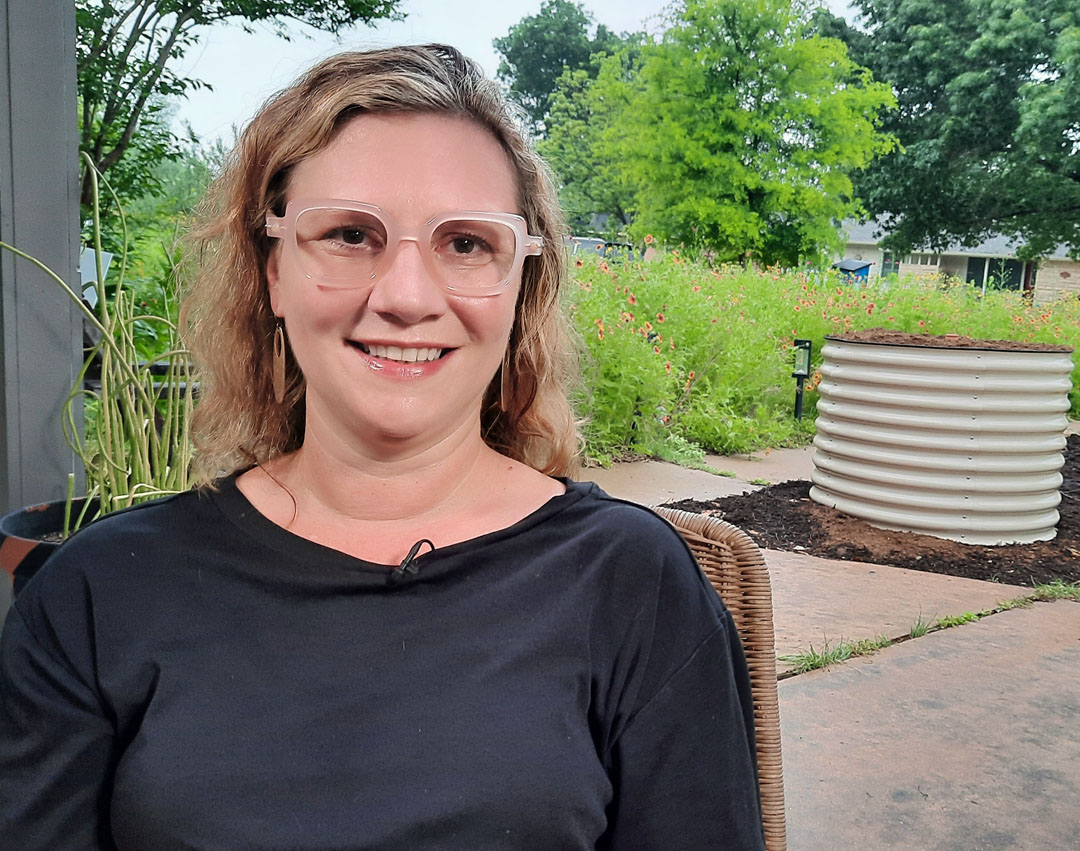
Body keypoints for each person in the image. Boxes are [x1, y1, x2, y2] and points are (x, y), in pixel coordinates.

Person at [0, 45, 764, 849]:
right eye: (350, 234)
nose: (404, 296)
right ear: (273, 273)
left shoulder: (633, 587)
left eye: (466, 243)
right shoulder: (100, 593)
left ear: (518, 285)